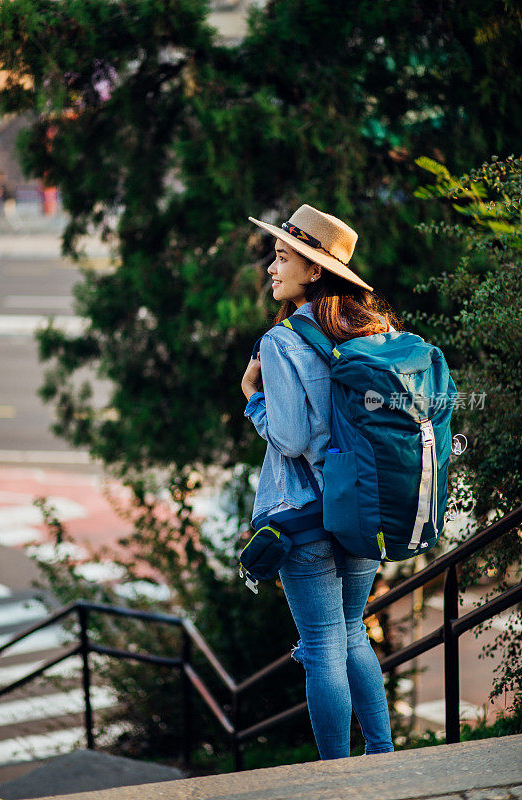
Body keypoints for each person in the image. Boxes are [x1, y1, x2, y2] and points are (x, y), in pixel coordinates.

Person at [241, 203, 397, 760]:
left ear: (314, 271)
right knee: (353, 633)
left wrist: (252, 397)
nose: (271, 268)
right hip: (364, 510)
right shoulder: (380, 335)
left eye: (283, 257)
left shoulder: (283, 342)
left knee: (322, 645)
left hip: (304, 517)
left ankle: (335, 775)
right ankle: (381, 755)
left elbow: (288, 437)